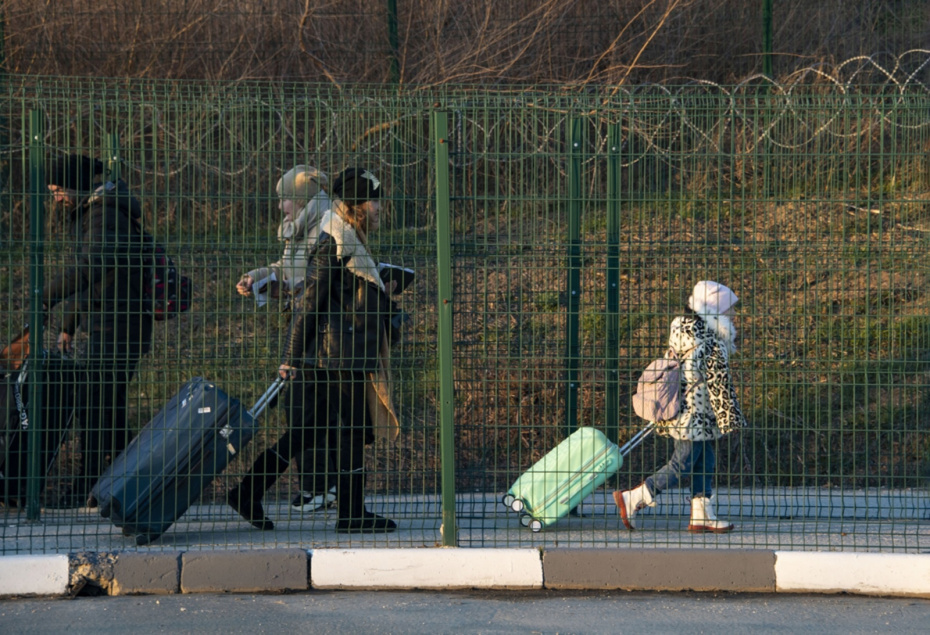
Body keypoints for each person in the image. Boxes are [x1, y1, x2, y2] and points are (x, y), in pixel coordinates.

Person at [228, 167, 401, 534]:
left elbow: (338, 295)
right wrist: (290, 356)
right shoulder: (334, 239)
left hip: (332, 351)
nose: (380, 207)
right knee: (352, 429)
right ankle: (352, 514)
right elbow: (311, 300)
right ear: (357, 202)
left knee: (308, 430)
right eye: (375, 199)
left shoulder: (344, 234)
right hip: (337, 354)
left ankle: (246, 491)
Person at [42, 154, 154, 508]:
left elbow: (91, 267)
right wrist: (70, 325)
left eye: (59, 190)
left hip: (117, 325)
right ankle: (129, 486)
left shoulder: (103, 213)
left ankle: (90, 486)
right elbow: (100, 279)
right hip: (112, 321)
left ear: (75, 184)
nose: (57, 198)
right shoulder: (97, 210)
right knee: (108, 407)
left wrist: (44, 295)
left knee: (95, 406)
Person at [236, 165, 338, 513]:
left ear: (301, 200)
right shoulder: (303, 227)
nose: (282, 208)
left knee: (308, 415)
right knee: (305, 415)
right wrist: (256, 278)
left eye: (285, 200)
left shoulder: (326, 227)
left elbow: (312, 288)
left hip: (319, 335)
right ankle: (315, 487)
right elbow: (287, 271)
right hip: (303, 328)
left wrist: (291, 353)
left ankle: (320, 487)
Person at [613, 281, 747, 533]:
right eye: (729, 309)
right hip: (694, 416)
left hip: (687, 412)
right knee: (682, 463)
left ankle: (701, 515)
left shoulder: (685, 332)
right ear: (715, 310)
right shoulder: (708, 340)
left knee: (704, 462)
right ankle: (635, 496)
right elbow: (720, 384)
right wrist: (731, 419)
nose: (733, 314)